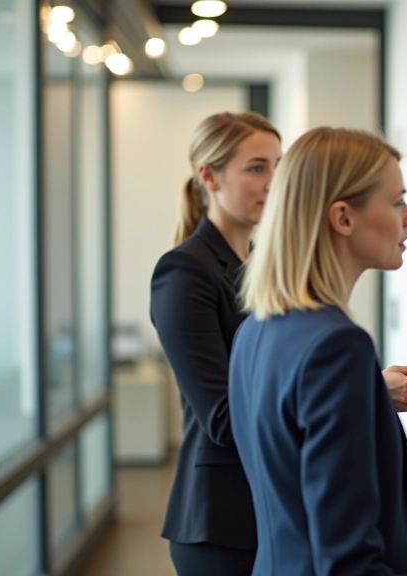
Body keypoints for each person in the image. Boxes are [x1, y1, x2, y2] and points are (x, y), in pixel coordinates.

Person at [229, 127, 407, 576]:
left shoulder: (254, 329)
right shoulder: (338, 347)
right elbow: (347, 559)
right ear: (343, 218)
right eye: (397, 202)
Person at [150, 111, 281, 576]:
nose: (272, 182)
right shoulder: (185, 271)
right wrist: (355, 391)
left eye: (278, 167)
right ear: (209, 176)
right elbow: (223, 418)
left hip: (270, 507)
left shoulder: (262, 266)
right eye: (256, 168)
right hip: (221, 522)